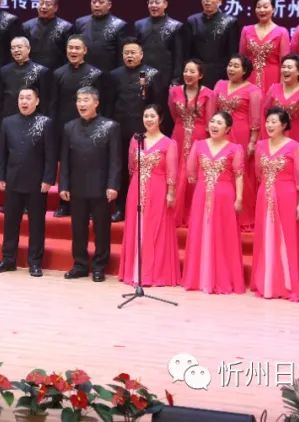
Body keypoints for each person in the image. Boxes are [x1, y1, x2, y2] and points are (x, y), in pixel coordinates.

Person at [251, 107, 299, 302]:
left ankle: (287, 284)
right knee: (266, 235)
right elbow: (258, 172)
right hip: (264, 194)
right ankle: (268, 282)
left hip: (287, 194)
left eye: (274, 122)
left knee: (286, 236)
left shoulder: (295, 147)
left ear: (284, 125)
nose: (269, 125)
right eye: (267, 121)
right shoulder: (261, 146)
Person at [59, 87, 121, 282]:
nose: (81, 104)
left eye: (86, 100)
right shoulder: (69, 127)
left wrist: (113, 185)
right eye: (79, 100)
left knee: (101, 229)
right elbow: (65, 159)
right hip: (77, 186)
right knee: (78, 228)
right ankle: (80, 265)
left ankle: (99, 266)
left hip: (101, 187)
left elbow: (115, 160)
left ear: (96, 103)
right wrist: (63, 184)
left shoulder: (110, 126)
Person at [181, 111, 246, 294]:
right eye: (212, 121)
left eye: (219, 123)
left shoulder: (235, 149)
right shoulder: (199, 145)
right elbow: (191, 172)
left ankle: (221, 278)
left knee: (223, 234)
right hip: (202, 194)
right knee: (200, 231)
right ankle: (199, 278)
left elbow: (239, 175)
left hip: (225, 196)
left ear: (228, 128)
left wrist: (239, 198)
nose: (214, 125)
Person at [0, 87, 56, 276]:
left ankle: (35, 262)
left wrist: (48, 178)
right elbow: (2, 152)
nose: (24, 101)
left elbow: (51, 154)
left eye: (28, 98)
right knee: (10, 222)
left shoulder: (45, 123)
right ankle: (8, 259)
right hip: (13, 179)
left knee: (36, 224)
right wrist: (1, 176)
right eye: (21, 98)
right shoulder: (8, 122)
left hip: (37, 182)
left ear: (37, 101)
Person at [118, 105, 180, 287]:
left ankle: (154, 273)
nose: (149, 119)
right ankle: (134, 271)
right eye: (146, 116)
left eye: (152, 116)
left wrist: (170, 192)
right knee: (136, 226)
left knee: (156, 227)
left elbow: (172, 171)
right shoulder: (136, 139)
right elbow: (131, 167)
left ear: (160, 119)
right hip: (136, 188)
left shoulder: (169, 143)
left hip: (158, 188)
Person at [107, 39, 168, 222]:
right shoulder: (114, 75)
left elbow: (158, 104)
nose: (130, 56)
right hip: (119, 130)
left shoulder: (151, 74)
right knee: (120, 169)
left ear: (141, 54)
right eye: (126, 53)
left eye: (133, 52)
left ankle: (144, 207)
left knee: (141, 171)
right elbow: (109, 105)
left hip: (144, 131)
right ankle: (120, 208)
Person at [49, 35, 107, 218]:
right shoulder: (58, 74)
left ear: (85, 50)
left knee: (89, 164)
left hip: (91, 126)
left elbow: (101, 104)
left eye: (77, 48)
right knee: (66, 164)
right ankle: (64, 204)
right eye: (70, 48)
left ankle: (89, 206)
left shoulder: (95, 74)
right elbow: (53, 103)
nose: (73, 51)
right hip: (64, 127)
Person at [264, 54, 299, 227]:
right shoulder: (274, 89)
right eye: (283, 67)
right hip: (276, 139)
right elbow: (266, 113)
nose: (285, 70)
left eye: (289, 67)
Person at [206, 54, 263, 228]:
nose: (231, 69)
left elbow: (255, 118)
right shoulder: (220, 85)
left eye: (236, 66)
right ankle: (220, 212)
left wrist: (252, 141)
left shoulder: (253, 90)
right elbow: (212, 110)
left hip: (240, 134)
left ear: (245, 71)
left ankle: (243, 216)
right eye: (230, 65)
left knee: (240, 172)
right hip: (220, 132)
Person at [168, 60, 212, 224]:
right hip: (178, 134)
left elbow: (210, 121)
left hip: (199, 136)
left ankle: (193, 212)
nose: (188, 74)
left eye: (192, 72)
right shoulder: (174, 91)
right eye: (186, 71)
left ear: (200, 75)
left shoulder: (209, 94)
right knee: (176, 168)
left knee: (195, 170)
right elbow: (174, 114)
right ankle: (174, 210)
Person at [185, 0, 240, 86]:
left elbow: (232, 52)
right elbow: (187, 52)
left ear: (220, 1)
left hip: (220, 75)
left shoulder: (230, 22)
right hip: (196, 74)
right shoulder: (192, 21)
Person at [239, 0, 290, 93]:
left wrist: (282, 89)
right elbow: (241, 60)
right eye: (258, 7)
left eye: (265, 7)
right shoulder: (246, 30)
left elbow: (285, 64)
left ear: (273, 9)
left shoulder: (281, 32)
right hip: (249, 79)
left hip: (273, 79)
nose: (262, 10)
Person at [133, 0, 185, 87]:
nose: (153, 5)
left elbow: (178, 57)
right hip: (143, 75)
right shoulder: (139, 25)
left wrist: (175, 80)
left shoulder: (175, 26)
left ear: (165, 4)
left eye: (157, 2)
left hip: (165, 77)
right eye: (151, 2)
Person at [0, 36, 50, 123]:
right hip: (8, 118)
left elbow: (44, 102)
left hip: (33, 119)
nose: (16, 50)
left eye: (19, 47)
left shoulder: (40, 71)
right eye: (13, 48)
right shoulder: (4, 71)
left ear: (28, 49)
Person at [73, 0, 128, 72]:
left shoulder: (119, 25)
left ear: (109, 5)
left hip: (108, 73)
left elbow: (122, 56)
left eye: (101, 2)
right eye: (94, 2)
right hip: (83, 72)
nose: (97, 5)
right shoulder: (80, 22)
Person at [22, 0, 72, 70]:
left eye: (48, 4)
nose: (43, 7)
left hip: (57, 71)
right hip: (32, 71)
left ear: (56, 8)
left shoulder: (65, 27)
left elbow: (69, 53)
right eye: (41, 3)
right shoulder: (27, 26)